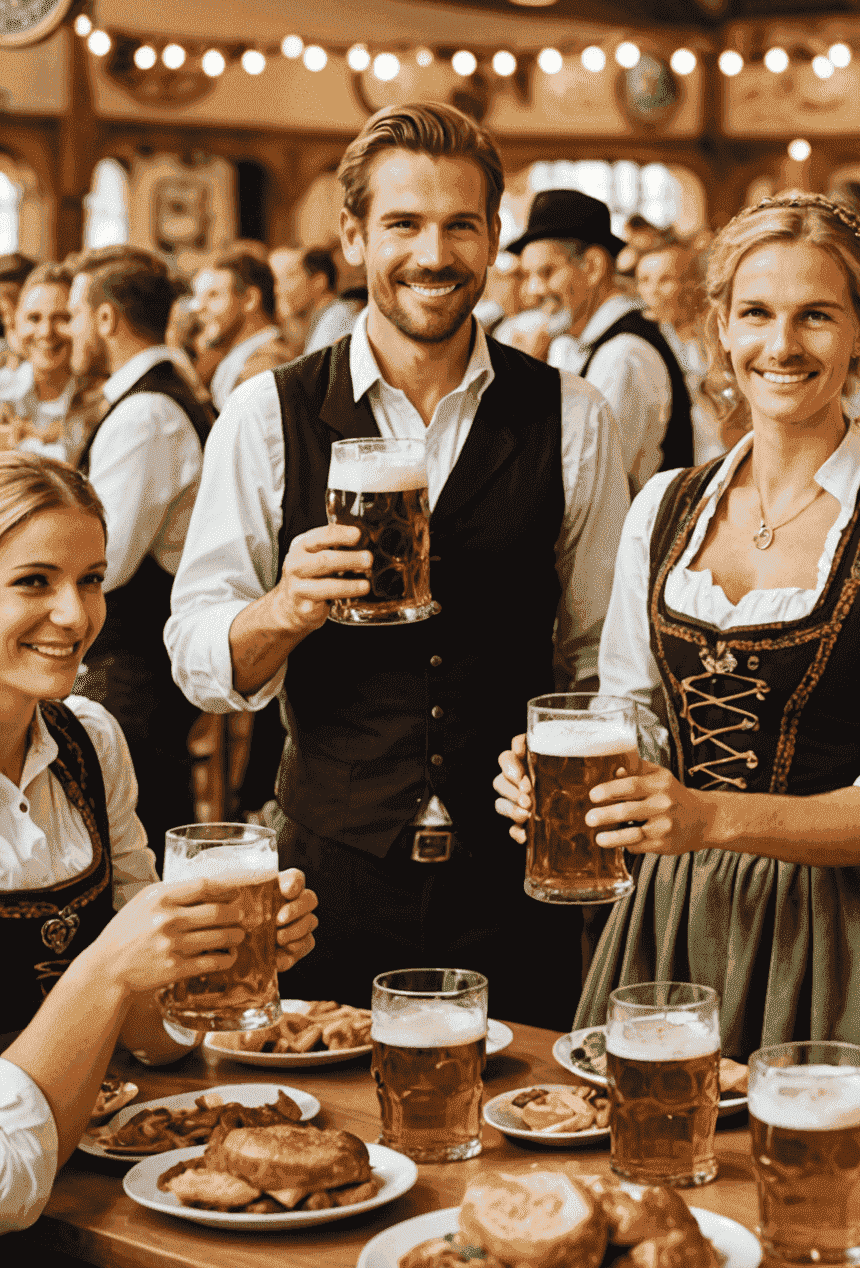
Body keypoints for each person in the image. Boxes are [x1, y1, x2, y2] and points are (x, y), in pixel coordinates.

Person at [165, 102, 630, 1025]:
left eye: (461, 224)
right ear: (352, 235)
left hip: (515, 877)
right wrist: (286, 608)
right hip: (328, 872)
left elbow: (599, 659)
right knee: (328, 1136)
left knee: (514, 1146)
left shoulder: (573, 416)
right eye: (404, 225)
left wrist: (575, 771)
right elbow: (198, 656)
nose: (435, 253)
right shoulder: (268, 413)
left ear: (495, 237)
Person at [493, 193, 860, 1063]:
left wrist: (709, 817)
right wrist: (572, 774)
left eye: (816, 317)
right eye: (755, 314)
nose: (782, 346)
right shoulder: (665, 505)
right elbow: (633, 711)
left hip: (841, 937)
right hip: (669, 925)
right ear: (720, 327)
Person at [0, 450, 319, 1234]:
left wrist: (206, 959)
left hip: (93, 1188)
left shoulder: (89, 744)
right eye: (33, 581)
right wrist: (107, 966)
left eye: (92, 579)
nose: (75, 616)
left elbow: (153, 1044)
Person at [67, 247, 211, 861]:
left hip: (132, 669)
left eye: (73, 315)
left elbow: (104, 560)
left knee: (135, 839)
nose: (71, 332)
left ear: (104, 319)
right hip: (135, 665)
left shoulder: (148, 413)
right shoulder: (150, 398)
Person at [514, 189, 693, 493]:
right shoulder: (580, 344)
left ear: (593, 267)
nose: (533, 290)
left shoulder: (623, 355)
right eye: (528, 275)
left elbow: (583, 486)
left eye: (546, 272)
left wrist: (524, 383)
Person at [0, 265, 105, 465]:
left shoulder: (100, 400)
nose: (46, 332)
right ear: (16, 323)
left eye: (62, 318)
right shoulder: (3, 388)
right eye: (34, 318)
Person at [635, 242, 723, 463]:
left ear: (691, 284)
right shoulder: (641, 340)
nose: (653, 290)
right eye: (644, 280)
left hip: (715, 442)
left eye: (665, 280)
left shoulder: (713, 334)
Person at [194, 247, 282, 412]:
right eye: (199, 297)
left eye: (213, 295)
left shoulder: (264, 364)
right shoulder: (243, 354)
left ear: (249, 299)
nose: (199, 308)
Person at [269, 244, 361, 353]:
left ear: (318, 282)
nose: (279, 289)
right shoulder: (327, 319)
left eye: (292, 276)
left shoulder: (335, 319)